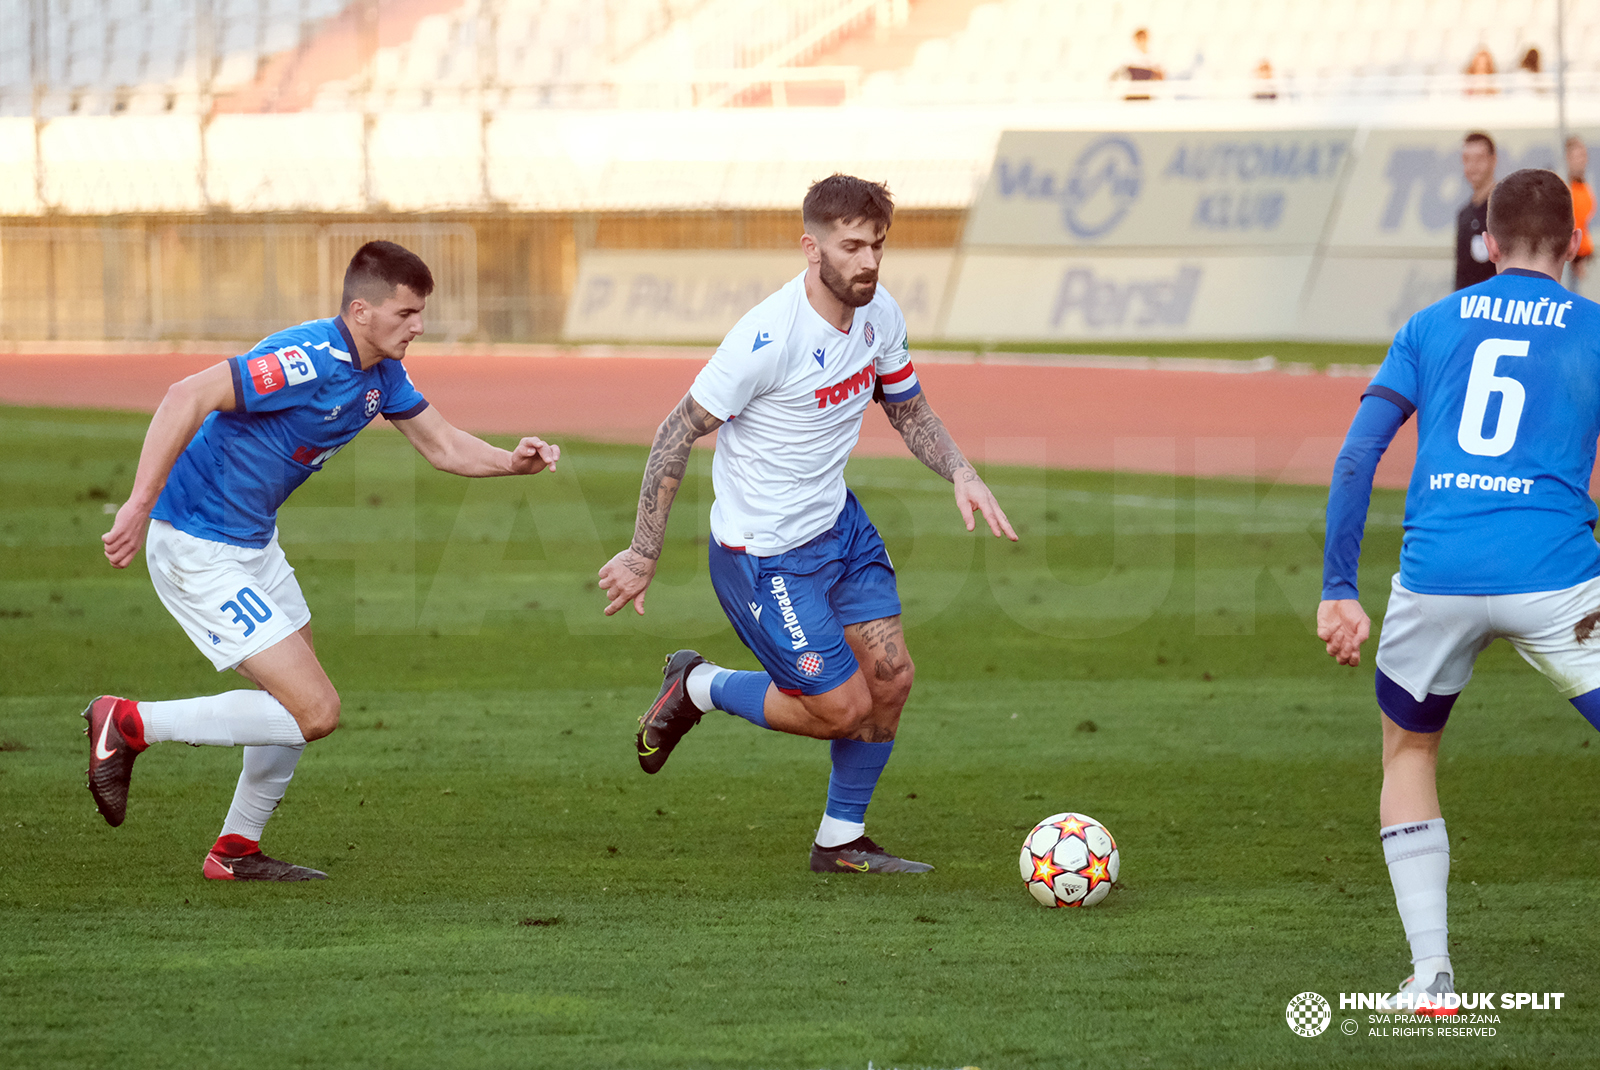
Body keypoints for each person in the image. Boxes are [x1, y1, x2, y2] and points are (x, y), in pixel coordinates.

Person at [90, 241, 561, 880]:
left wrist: (511, 461)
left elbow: (444, 445)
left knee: (291, 700)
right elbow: (185, 395)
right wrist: (138, 504)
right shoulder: (303, 360)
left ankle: (236, 851)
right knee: (314, 712)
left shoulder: (382, 375)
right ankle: (129, 722)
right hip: (197, 545)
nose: (418, 326)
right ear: (361, 311)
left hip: (254, 545)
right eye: (405, 314)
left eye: (422, 313)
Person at [596, 174, 1016, 875]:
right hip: (766, 556)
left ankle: (840, 843)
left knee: (892, 678)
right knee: (843, 707)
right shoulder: (766, 338)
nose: (869, 261)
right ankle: (697, 686)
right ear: (810, 246)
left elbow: (907, 408)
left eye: (877, 245)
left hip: (840, 530)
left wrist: (962, 471)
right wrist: (644, 553)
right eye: (851, 246)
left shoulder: (881, 314)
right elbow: (676, 432)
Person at [1317, 168, 1591, 1010]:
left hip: (1434, 577)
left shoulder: (1430, 324)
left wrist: (1338, 587)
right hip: (1556, 577)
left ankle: (1432, 977)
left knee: (1409, 751)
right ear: (1576, 242)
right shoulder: (1592, 328)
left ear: (1490, 243)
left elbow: (1358, 456)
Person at [1454, 131, 1497, 291]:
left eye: (1479, 159)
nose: (1472, 167)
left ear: (1493, 160)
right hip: (1468, 309)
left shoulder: (1506, 210)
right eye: (1467, 160)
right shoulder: (1464, 215)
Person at [1568, 135, 1593, 293]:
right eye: (1576, 156)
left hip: (1584, 258)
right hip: (1571, 261)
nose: (1582, 160)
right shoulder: (1565, 189)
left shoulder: (1584, 186)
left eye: (1583, 155)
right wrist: (1575, 260)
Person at [1115, 28, 1164, 100]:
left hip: (1148, 93)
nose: (1143, 41)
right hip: (1132, 93)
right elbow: (1132, 72)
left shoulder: (1154, 55)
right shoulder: (1129, 55)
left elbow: (1160, 75)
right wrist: (1150, 72)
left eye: (1144, 38)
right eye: (1140, 38)